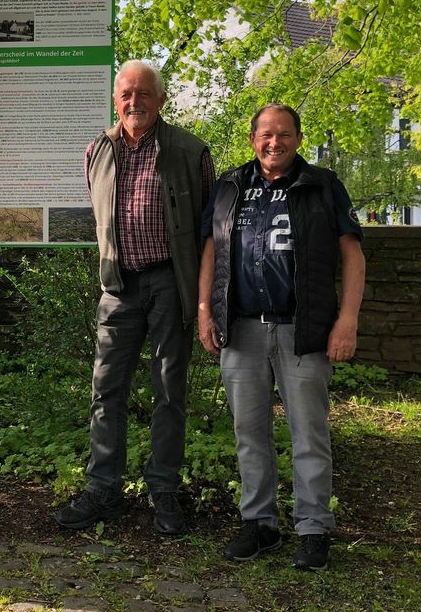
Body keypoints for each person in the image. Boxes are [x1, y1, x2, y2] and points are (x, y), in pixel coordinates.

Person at [198, 104, 366, 571]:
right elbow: (211, 246)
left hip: (303, 328)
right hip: (242, 328)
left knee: (308, 433)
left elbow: (352, 253)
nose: (276, 142)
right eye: (267, 134)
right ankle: (260, 523)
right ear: (253, 138)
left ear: (298, 138)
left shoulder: (322, 185)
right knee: (249, 432)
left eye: (285, 134)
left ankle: (312, 528)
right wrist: (205, 308)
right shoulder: (231, 186)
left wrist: (346, 319)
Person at [55, 60, 215, 535]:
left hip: (170, 283)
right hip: (118, 286)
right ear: (114, 100)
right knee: (106, 389)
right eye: (126, 94)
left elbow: (209, 232)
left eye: (144, 93)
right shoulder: (97, 150)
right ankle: (103, 489)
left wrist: (205, 298)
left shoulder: (190, 151)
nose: (134, 102)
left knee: (169, 391)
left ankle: (163, 489)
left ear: (161, 100)